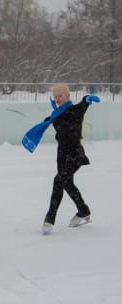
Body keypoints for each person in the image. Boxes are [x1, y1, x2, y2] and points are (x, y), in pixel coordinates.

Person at [22, 83, 100, 234]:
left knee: (59, 180)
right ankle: (83, 211)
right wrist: (55, 113)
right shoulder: (55, 116)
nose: (58, 99)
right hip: (62, 155)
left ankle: (50, 218)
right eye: (55, 97)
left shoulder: (74, 110)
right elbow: (44, 124)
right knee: (67, 183)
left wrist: (88, 99)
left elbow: (82, 104)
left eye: (60, 96)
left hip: (74, 154)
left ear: (68, 96)